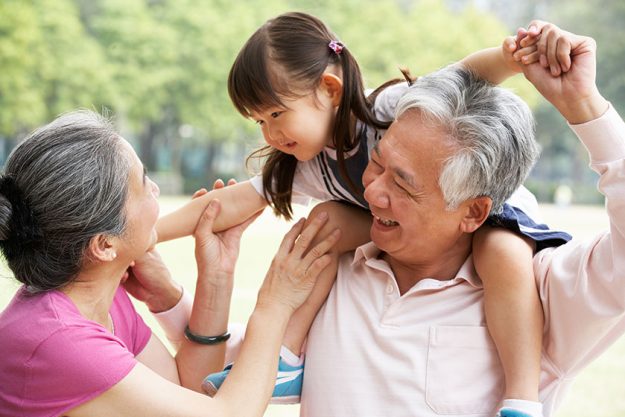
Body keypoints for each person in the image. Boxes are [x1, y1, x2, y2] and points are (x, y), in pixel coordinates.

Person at [155, 13, 571, 413]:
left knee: (501, 252)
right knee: (323, 226)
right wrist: (146, 235)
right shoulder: (309, 165)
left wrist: (511, 59)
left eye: (277, 114)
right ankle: (287, 358)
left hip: (484, 206)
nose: (270, 133)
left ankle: (521, 398)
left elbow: (463, 76)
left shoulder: (386, 109)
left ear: (330, 89)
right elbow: (229, 204)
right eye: (260, 121)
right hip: (400, 219)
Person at [0, 110, 340, 417]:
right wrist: (275, 306)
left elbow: (188, 390)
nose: (156, 190)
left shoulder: (94, 298)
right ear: (104, 245)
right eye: (143, 183)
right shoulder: (60, 340)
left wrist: (215, 276)